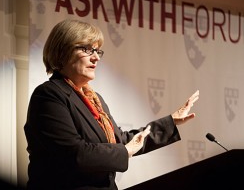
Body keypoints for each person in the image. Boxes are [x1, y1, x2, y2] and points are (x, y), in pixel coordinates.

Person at [24, 19, 199, 190]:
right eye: (86, 49)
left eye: (97, 51)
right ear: (62, 51)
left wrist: (171, 121)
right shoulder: (49, 95)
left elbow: (119, 140)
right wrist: (125, 152)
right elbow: (74, 153)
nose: (95, 58)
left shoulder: (93, 98)